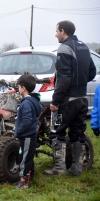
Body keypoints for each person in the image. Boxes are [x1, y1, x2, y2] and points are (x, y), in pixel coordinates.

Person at [44, 20, 96, 176]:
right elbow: (92, 72)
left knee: (57, 132)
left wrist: (55, 101)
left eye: (56, 31)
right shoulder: (84, 47)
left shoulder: (64, 48)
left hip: (68, 100)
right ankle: (76, 167)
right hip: (82, 98)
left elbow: (64, 79)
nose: (55, 34)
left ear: (62, 31)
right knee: (77, 132)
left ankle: (59, 168)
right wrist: (79, 83)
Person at [14, 73, 42, 189]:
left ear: (23, 88)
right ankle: (31, 174)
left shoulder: (26, 103)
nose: (18, 89)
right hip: (29, 135)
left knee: (24, 158)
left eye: (19, 87)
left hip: (26, 135)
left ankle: (23, 181)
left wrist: (18, 131)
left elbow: (26, 120)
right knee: (28, 156)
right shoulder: (34, 101)